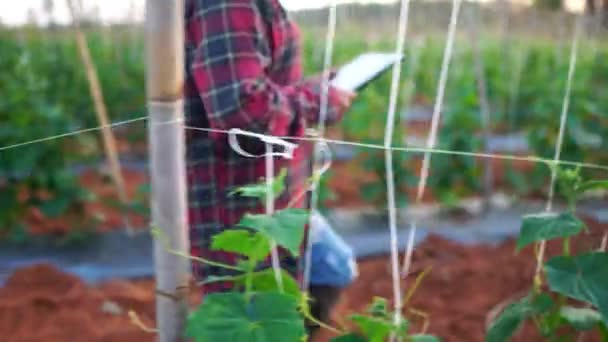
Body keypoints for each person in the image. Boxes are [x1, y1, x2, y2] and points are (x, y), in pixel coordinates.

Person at [184, 0, 357, 331]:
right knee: (248, 316)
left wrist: (314, 88)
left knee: (330, 267)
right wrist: (319, 100)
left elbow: (253, 87)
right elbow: (245, 115)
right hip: (240, 207)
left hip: (278, 196)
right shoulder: (228, 4)